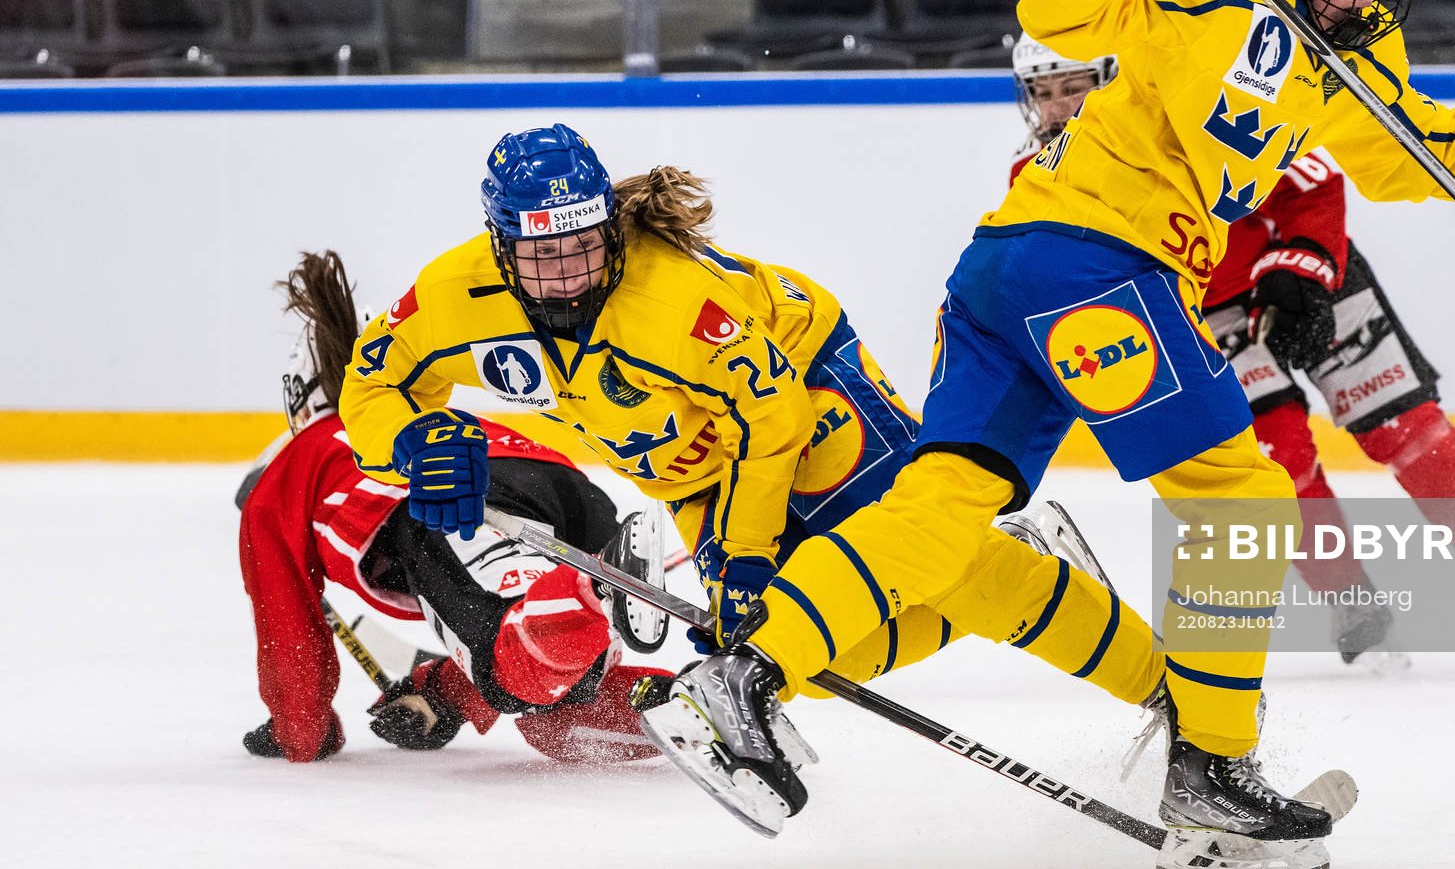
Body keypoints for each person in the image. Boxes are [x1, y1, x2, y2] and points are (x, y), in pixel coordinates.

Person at [637, 0, 1455, 869]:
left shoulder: (1350, 61)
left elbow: (1422, 144)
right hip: (1094, 265)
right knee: (1243, 494)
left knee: (950, 496)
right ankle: (1213, 769)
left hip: (1010, 270)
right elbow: (1049, 6)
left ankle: (743, 676)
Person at [335, 125, 1168, 802]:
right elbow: (371, 383)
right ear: (499, 243)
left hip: (809, 398)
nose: (570, 274)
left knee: (938, 569)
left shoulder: (675, 301)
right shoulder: (452, 294)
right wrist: (412, 443)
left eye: (586, 245)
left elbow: (771, 421)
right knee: (801, 644)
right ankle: (1026, 558)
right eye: (542, 255)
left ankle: (1165, 690)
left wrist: (744, 551)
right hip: (692, 469)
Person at [1006, 28, 1455, 667]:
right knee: (1278, 462)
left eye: (1073, 87)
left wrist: (1299, 266)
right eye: (1044, 92)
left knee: (1406, 428)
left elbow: (1312, 181)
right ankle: (1351, 601)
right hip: (1205, 314)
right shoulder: (1033, 178)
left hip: (1306, 276)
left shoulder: (1193, 110)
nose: (1058, 106)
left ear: (1112, 78)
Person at [238, 250, 671, 765]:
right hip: (568, 494)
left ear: (298, 398)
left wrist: (300, 731)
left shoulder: (296, 465)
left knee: (517, 674)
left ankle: (596, 585)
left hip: (457, 507)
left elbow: (286, 622)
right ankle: (701, 706)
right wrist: (441, 696)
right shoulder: (416, 416)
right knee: (558, 706)